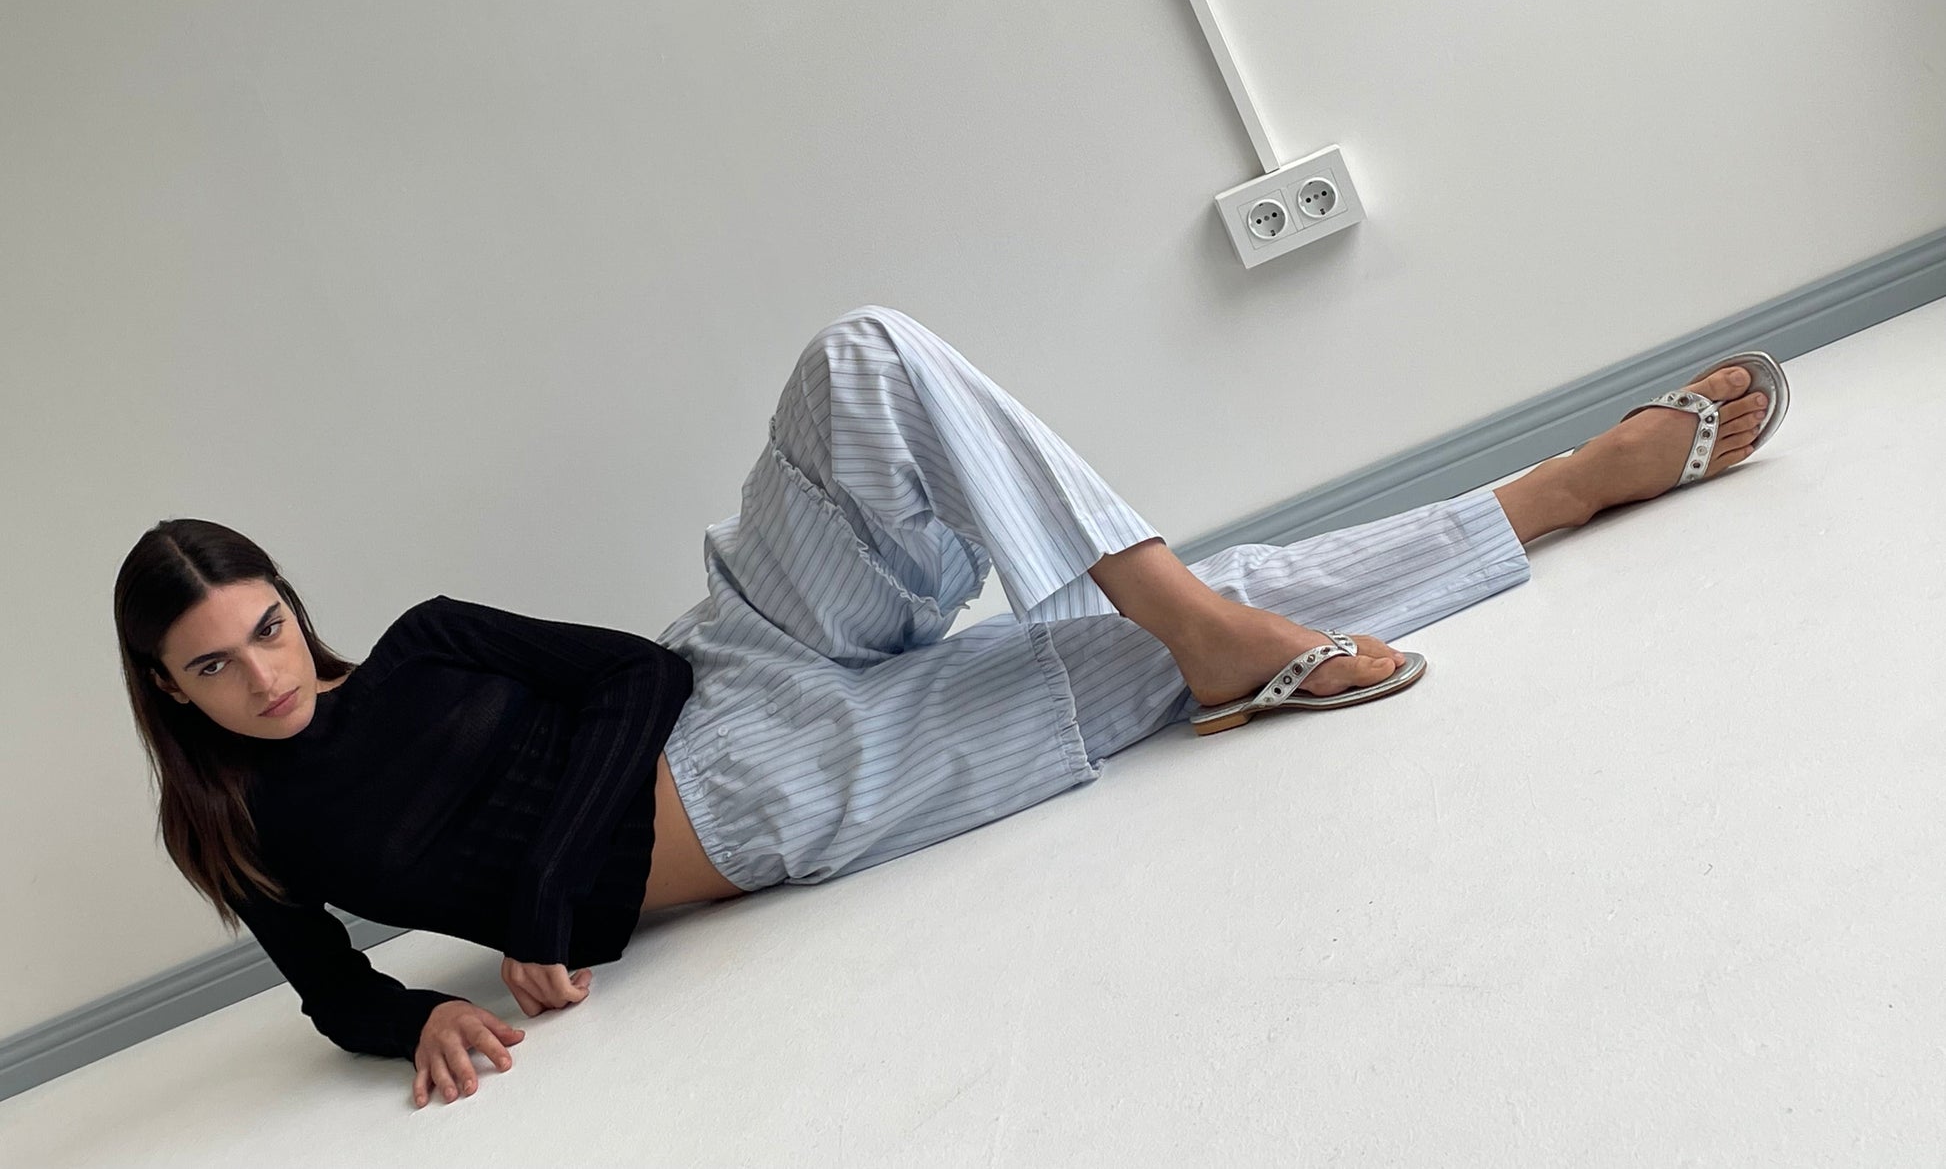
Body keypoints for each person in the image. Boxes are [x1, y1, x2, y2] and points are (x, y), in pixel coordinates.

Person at [113, 305, 1776, 1110]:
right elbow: (337, 998)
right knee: (1224, 603)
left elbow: (631, 677)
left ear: (292, 601)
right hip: (770, 792)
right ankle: (1564, 486)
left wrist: (545, 894)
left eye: (268, 626)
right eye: (217, 666)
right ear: (169, 692)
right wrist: (428, 1022)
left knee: (864, 357)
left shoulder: (417, 643)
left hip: (729, 658)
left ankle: (1195, 626)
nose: (266, 675)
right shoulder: (249, 832)